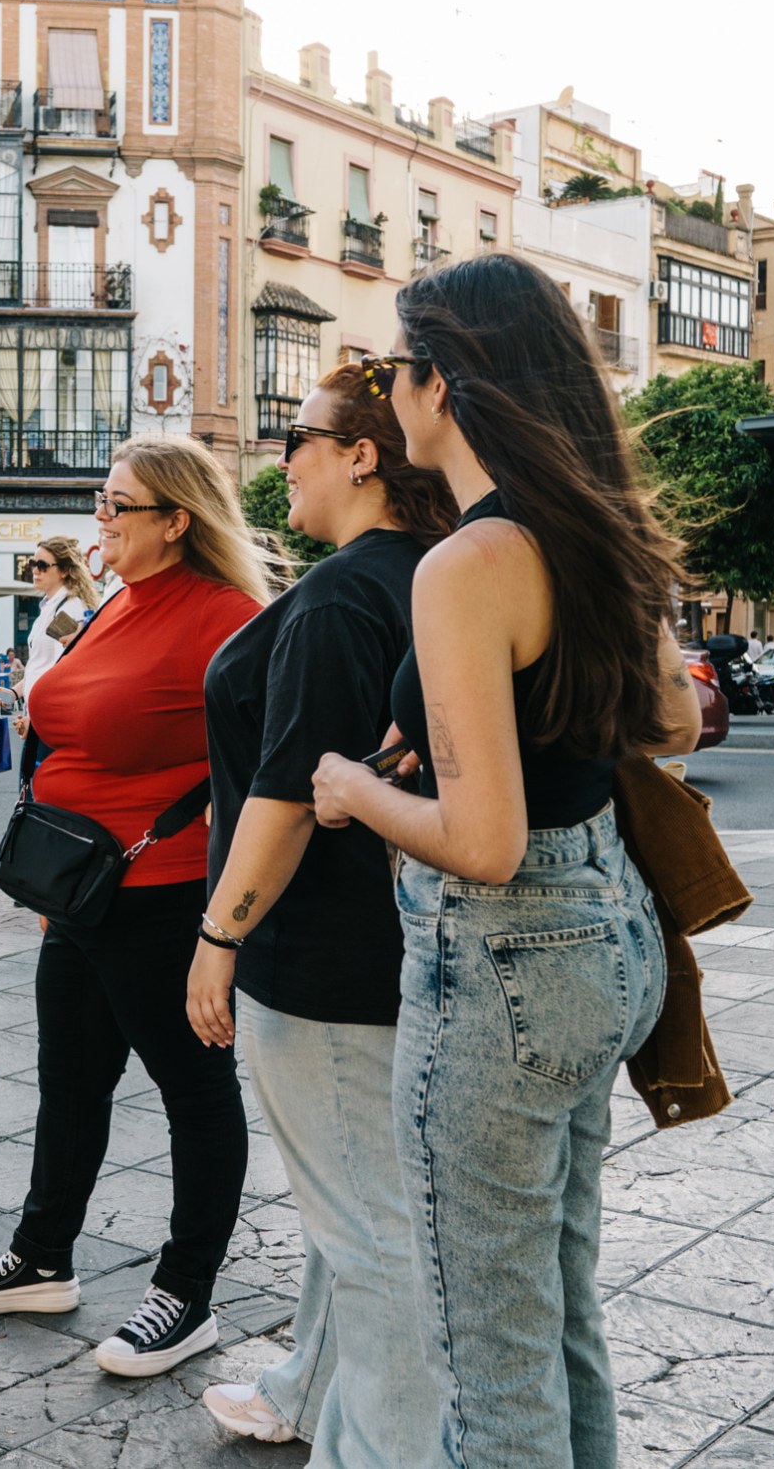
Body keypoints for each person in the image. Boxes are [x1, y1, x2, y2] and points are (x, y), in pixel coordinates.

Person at [308, 255, 703, 1468]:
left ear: (444, 385)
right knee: (558, 1313)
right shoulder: (595, 534)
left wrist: (357, 789)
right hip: (609, 939)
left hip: (502, 970)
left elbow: (484, 843)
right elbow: (675, 727)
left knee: (490, 1361)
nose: (388, 393)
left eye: (391, 368)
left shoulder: (468, 562)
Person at [0, 434, 268, 1377]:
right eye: (102, 498)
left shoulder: (227, 618)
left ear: (177, 520)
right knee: (69, 1084)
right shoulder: (117, 602)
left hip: (165, 898)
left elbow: (264, 768)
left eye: (119, 505)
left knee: (195, 1095)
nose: (100, 518)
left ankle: (186, 1292)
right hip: (79, 892)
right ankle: (43, 1258)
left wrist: (229, 923)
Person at [189, 365, 457, 1461]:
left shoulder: (345, 591)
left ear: (363, 454)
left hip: (320, 962)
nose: (280, 455)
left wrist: (219, 937)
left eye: (294, 435)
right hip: (394, 949)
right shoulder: (430, 575)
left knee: (368, 1232)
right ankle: (305, 1391)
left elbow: (289, 791)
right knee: (354, 1206)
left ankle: (389, 1444)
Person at [0, 536, 100, 734]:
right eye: (33, 563)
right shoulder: (50, 607)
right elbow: (42, 666)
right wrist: (12, 694)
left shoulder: (68, 609)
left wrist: (36, 720)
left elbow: (65, 674)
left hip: (51, 719)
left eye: (42, 565)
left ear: (64, 571)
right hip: (41, 717)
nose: (35, 570)